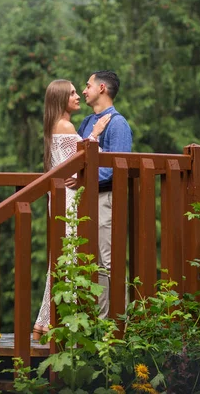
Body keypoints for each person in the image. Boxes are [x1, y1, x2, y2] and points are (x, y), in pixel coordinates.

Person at [33, 79, 111, 340]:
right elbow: (83, 157)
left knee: (62, 259)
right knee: (69, 259)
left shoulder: (55, 125)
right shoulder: (64, 125)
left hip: (60, 198)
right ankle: (61, 324)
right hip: (68, 200)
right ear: (60, 99)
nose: (78, 96)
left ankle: (44, 323)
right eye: (72, 93)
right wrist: (96, 132)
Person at [77, 70, 133, 319]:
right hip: (86, 199)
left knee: (109, 262)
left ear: (101, 88)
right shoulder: (87, 123)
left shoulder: (118, 123)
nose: (83, 90)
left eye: (88, 85)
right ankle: (100, 322)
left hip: (105, 199)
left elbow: (114, 169)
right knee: (93, 264)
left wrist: (83, 177)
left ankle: (121, 324)